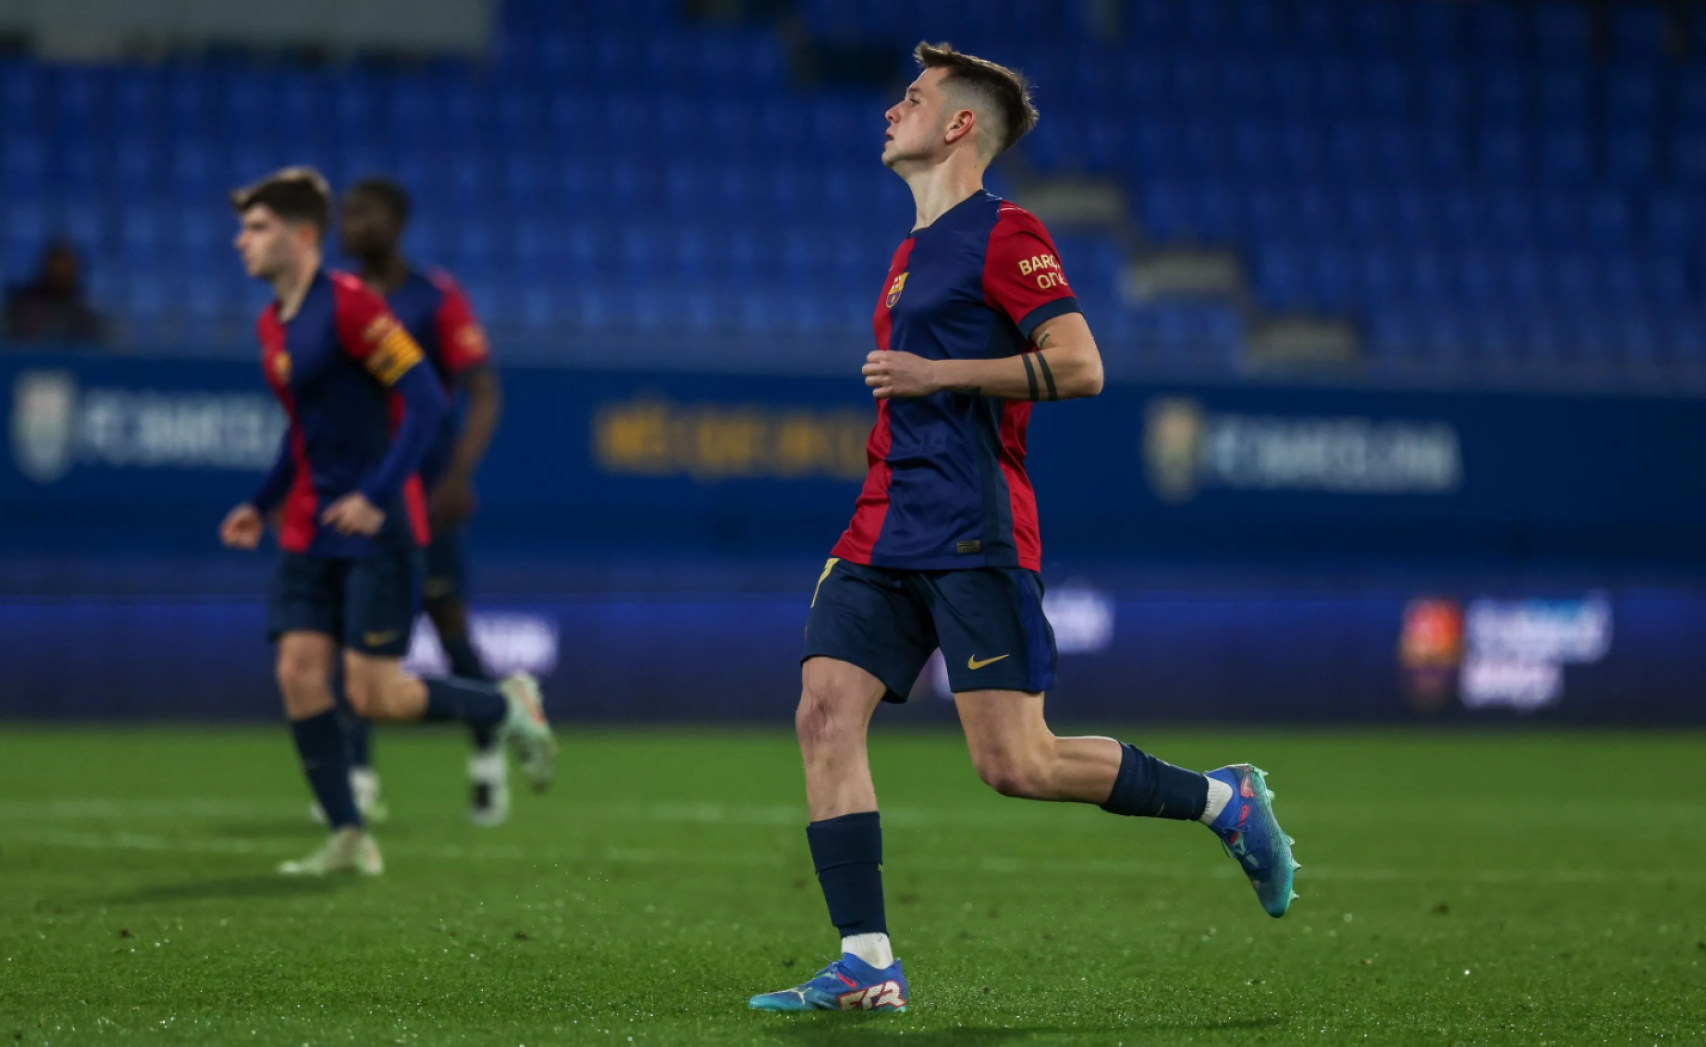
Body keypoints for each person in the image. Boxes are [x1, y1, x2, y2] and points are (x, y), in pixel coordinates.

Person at [749, 44, 1298, 1014]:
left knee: (1016, 764)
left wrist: (937, 374)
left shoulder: (1006, 233)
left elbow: (1081, 365)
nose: (891, 110)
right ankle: (867, 961)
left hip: (972, 527)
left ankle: (1224, 799)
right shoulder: (910, 250)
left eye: (912, 98)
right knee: (822, 712)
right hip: (881, 523)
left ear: (959, 125)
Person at [217, 167, 556, 876]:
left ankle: (502, 704)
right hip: (309, 527)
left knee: (377, 694)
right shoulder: (271, 323)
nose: (240, 240)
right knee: (298, 672)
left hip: (375, 528)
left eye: (256, 227)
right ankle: (349, 833)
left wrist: (377, 494)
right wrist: (262, 500)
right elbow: (302, 432)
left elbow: (427, 397)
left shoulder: (353, 307)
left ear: (299, 236)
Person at [332, 177, 511, 827]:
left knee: (450, 631)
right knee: (347, 638)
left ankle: (489, 755)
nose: (353, 224)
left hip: (424, 497)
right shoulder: (334, 300)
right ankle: (357, 782)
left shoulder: (434, 297)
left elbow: (483, 389)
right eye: (348, 213)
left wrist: (457, 476)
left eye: (367, 213)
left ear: (398, 223)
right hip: (355, 496)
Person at [3, 240, 104, 345]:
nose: (60, 272)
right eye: (57, 267)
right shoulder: (23, 306)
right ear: (46, 268)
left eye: (65, 269)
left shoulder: (84, 317)